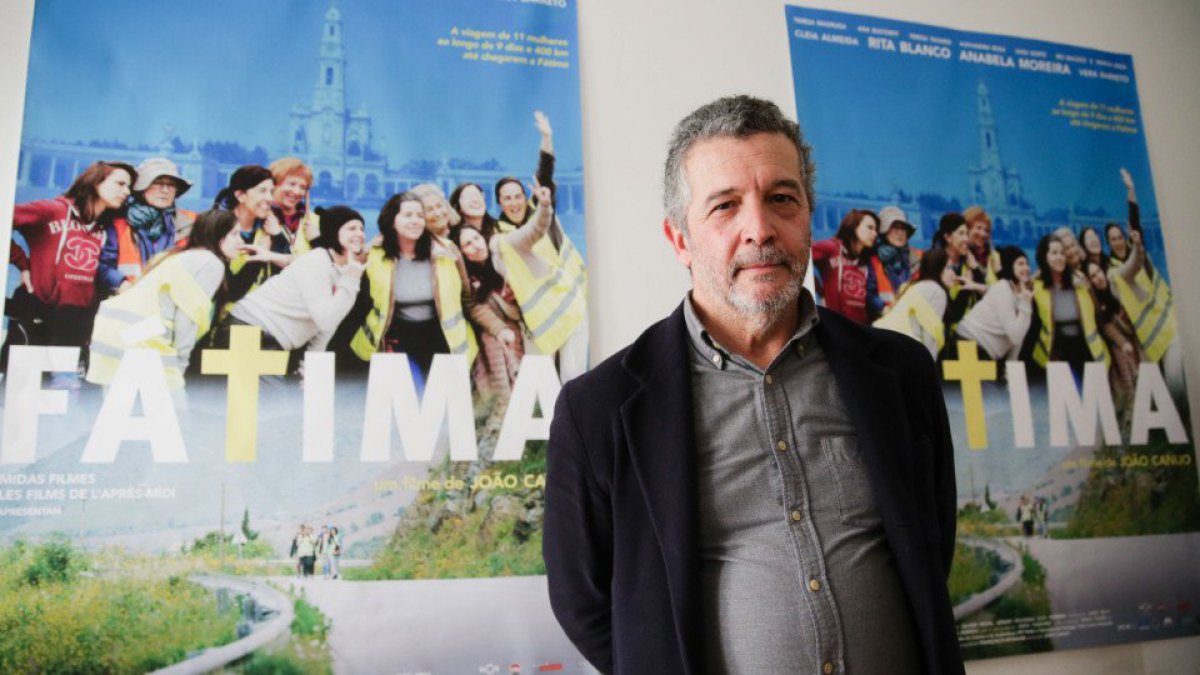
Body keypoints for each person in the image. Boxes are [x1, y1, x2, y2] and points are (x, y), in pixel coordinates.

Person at [544, 96, 963, 675]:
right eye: (725, 206)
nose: (760, 229)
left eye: (782, 199)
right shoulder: (600, 410)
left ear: (808, 216)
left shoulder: (900, 372)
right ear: (679, 240)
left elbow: (929, 546)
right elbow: (584, 602)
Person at [8, 160, 136, 385]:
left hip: (75, 326)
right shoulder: (53, 210)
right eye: (120, 184)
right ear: (96, 181)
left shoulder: (106, 227)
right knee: (19, 394)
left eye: (129, 187)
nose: (127, 192)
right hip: (36, 321)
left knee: (61, 396)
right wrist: (22, 263)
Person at [87, 209, 242, 391]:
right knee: (170, 403)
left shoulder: (180, 255)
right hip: (141, 336)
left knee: (124, 406)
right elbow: (188, 317)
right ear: (217, 234)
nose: (241, 241)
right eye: (234, 234)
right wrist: (180, 364)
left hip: (114, 333)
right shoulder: (211, 263)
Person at [348, 192, 479, 385]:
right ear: (392, 221)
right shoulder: (373, 254)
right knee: (411, 394)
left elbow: (466, 298)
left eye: (420, 215)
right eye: (408, 215)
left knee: (441, 399)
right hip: (398, 338)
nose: (416, 221)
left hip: (443, 338)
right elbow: (356, 300)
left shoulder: (447, 250)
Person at [227, 206, 366, 365]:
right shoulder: (318, 262)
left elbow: (329, 324)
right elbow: (326, 320)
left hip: (273, 337)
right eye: (352, 228)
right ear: (334, 232)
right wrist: (352, 278)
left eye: (362, 229)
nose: (360, 234)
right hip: (251, 327)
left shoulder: (344, 270)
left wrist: (310, 364)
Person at [97, 157, 196, 295]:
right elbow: (103, 266)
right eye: (158, 183)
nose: (165, 190)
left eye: (171, 184)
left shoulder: (193, 222)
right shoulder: (118, 223)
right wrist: (123, 285)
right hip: (127, 302)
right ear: (141, 187)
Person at [451, 225, 524, 400]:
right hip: (498, 327)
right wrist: (500, 329)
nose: (476, 245)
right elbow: (473, 306)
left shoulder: (502, 258)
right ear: (462, 252)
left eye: (476, 238)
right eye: (468, 244)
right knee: (492, 344)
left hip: (526, 324)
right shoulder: (468, 278)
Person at [1029, 234, 1108, 373]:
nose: (1059, 257)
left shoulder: (1079, 280)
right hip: (1056, 355)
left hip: (1088, 352)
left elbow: (1097, 315)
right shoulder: (1036, 287)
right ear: (1044, 256)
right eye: (1054, 253)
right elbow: (1034, 325)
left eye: (1062, 253)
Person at [213, 165, 292, 304]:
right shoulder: (217, 229)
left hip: (265, 314)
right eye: (262, 191)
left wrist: (278, 237)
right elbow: (230, 291)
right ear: (240, 195)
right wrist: (259, 257)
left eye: (271, 191)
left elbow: (287, 277)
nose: (270, 198)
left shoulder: (273, 229)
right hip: (227, 315)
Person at [873, 247, 955, 361]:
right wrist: (928, 366)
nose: (953, 273)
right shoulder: (936, 291)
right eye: (948, 268)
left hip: (883, 341)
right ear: (938, 268)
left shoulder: (914, 286)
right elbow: (931, 334)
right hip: (899, 347)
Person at [955, 245, 1034, 362]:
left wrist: (1011, 367)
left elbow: (1019, 337)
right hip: (969, 343)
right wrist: (1026, 303)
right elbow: (1015, 336)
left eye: (1027, 264)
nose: (1026, 268)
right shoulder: (1004, 289)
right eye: (1020, 264)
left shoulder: (1021, 295)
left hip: (984, 351)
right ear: (1010, 266)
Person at [811, 208, 889, 323]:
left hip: (860, 328)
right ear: (854, 226)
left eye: (876, 229)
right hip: (835, 326)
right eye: (870, 227)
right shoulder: (832, 248)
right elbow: (799, 261)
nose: (875, 234)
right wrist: (820, 291)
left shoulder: (867, 260)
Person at [1085, 259, 1140, 416]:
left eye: (1098, 272)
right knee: (1121, 359)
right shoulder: (1096, 301)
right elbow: (1106, 326)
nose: (1098, 277)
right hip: (1120, 341)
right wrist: (1122, 342)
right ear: (1090, 282)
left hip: (1136, 333)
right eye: (1093, 276)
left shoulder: (1116, 285)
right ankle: (1131, 407)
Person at [269, 157, 319, 252]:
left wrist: (318, 241)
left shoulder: (315, 221)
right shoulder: (260, 218)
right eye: (292, 184)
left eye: (302, 187)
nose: (297, 192)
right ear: (274, 184)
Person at [875, 205, 921, 292]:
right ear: (884, 232)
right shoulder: (872, 260)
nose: (900, 232)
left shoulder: (920, 257)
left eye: (903, 228)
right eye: (895, 227)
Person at [963, 205, 1000, 284]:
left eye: (986, 230)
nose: (983, 234)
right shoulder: (960, 256)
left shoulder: (995, 256)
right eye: (978, 228)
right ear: (967, 229)